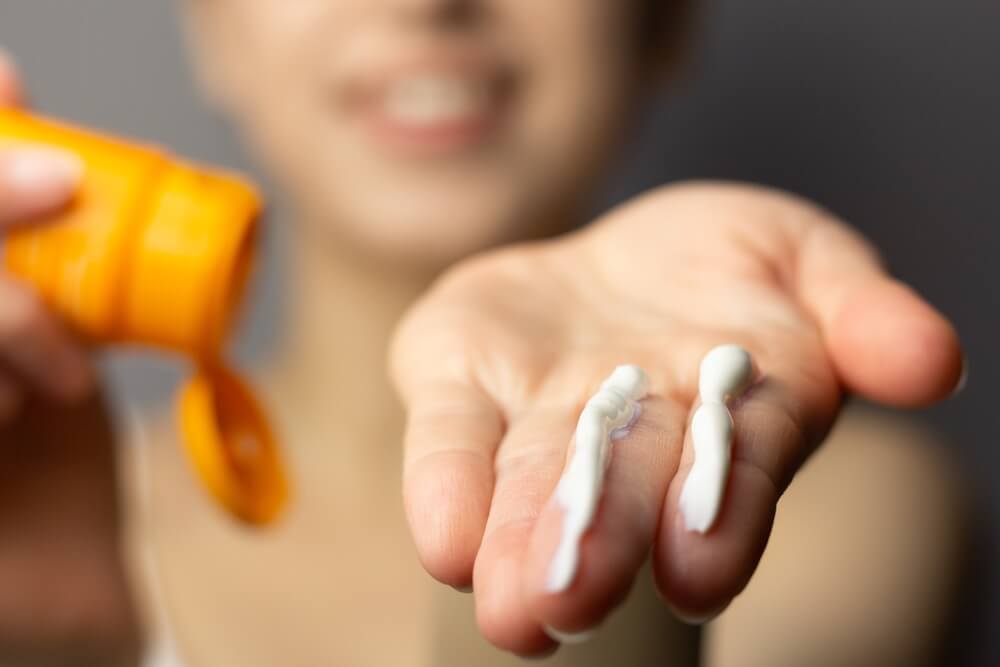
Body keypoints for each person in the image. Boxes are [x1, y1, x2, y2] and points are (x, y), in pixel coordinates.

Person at [0, 1, 968, 665]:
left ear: (663, 20)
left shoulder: (839, 516)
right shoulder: (41, 527)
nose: (428, 1)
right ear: (212, 28)